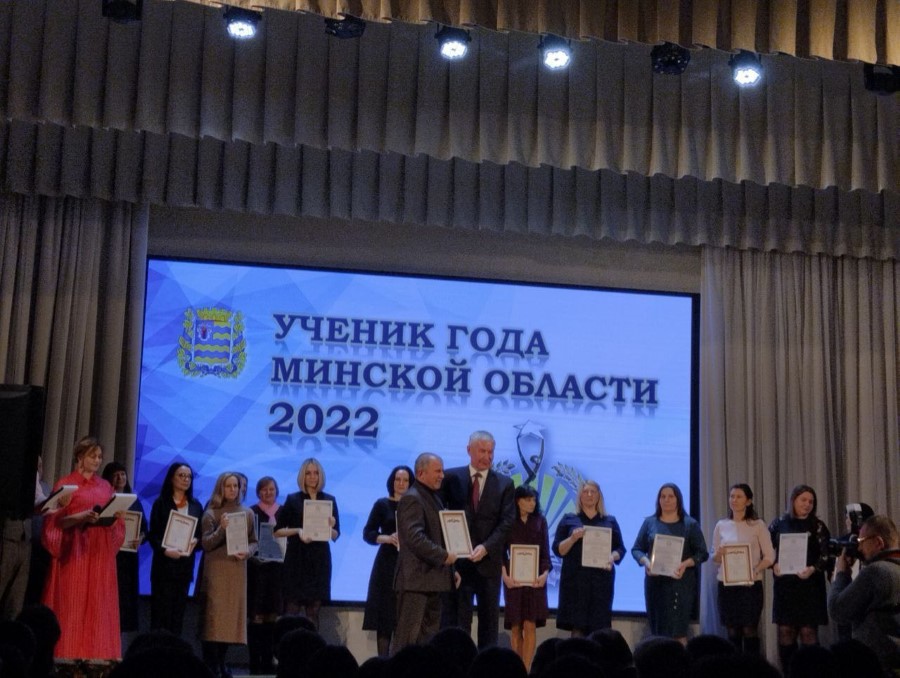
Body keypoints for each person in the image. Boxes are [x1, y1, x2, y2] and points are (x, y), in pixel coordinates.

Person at [41, 436, 125, 659]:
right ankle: (68, 657)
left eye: (99, 457)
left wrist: (116, 517)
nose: (97, 460)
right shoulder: (66, 484)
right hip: (75, 550)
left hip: (99, 552)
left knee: (98, 606)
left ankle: (96, 658)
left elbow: (116, 524)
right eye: (92, 456)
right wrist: (80, 517)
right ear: (80, 456)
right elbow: (54, 522)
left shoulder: (105, 486)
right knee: (73, 604)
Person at [440, 430, 515, 649]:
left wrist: (486, 547)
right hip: (459, 565)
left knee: (489, 624)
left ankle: (486, 664)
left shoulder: (505, 483)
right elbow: (441, 516)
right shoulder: (451, 478)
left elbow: (507, 522)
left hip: (489, 565)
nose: (487, 456)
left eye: (491, 452)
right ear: (469, 450)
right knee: (458, 624)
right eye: (482, 451)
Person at [391, 453, 458, 654]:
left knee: (426, 646)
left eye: (442, 471)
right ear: (421, 473)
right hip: (415, 583)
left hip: (432, 581)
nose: (442, 475)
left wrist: (451, 569)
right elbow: (415, 538)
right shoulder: (412, 498)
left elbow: (438, 536)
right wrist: (443, 557)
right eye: (437, 471)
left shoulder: (432, 497)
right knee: (406, 643)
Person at [631, 482, 708, 644]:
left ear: (678, 499)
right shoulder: (650, 523)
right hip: (655, 584)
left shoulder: (690, 524)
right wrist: (646, 562)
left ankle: (680, 660)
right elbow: (636, 549)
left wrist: (685, 564)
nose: (666, 500)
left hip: (680, 585)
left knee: (678, 631)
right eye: (663, 496)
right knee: (658, 632)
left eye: (671, 496)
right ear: (658, 500)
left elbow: (702, 553)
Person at [199, 471, 257, 678]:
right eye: (228, 486)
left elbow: (254, 541)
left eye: (236, 486)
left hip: (236, 570)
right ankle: (212, 665)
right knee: (214, 621)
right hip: (217, 571)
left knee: (230, 622)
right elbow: (206, 543)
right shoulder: (211, 513)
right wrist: (222, 529)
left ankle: (222, 663)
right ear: (221, 488)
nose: (233, 490)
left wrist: (247, 552)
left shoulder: (247, 513)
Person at [768, 483, 832, 671]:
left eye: (811, 501)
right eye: (803, 500)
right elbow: (766, 550)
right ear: (793, 500)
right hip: (786, 586)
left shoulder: (818, 526)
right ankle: (788, 672)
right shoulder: (779, 523)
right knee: (785, 631)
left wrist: (813, 569)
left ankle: (811, 673)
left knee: (808, 632)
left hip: (810, 586)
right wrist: (773, 564)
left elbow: (826, 555)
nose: (807, 504)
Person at [828, 514, 900, 674]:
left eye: (861, 541)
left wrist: (841, 574)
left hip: (877, 663)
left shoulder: (876, 572)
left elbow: (838, 610)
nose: (859, 548)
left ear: (878, 542)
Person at [553, 480, 625, 638]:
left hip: (601, 583)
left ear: (599, 496)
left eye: (593, 492)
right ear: (580, 496)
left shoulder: (609, 521)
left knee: (600, 631)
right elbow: (558, 550)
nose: (589, 495)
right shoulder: (568, 519)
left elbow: (620, 549)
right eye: (585, 492)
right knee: (577, 629)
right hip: (576, 582)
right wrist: (572, 538)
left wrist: (612, 557)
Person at [274, 457, 339, 629]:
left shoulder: (329, 500)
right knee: (292, 610)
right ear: (302, 476)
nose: (312, 477)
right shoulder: (293, 499)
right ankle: (288, 645)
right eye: (308, 473)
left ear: (320, 475)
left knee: (313, 611)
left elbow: (335, 535)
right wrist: (298, 531)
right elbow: (277, 531)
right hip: (296, 559)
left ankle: (312, 645)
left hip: (319, 560)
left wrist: (331, 526)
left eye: (316, 473)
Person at [710, 483, 775, 655]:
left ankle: (751, 666)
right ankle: (734, 666)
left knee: (749, 629)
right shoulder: (721, 525)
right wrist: (719, 554)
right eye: (732, 496)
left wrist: (755, 569)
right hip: (727, 585)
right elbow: (714, 558)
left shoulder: (758, 525)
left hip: (750, 585)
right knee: (732, 631)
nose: (734, 500)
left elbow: (770, 556)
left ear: (748, 501)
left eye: (739, 496)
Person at [362, 464, 414, 657]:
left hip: (409, 565)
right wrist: (385, 538)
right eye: (397, 479)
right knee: (384, 619)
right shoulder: (381, 504)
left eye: (405, 480)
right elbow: (368, 533)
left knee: (405, 620)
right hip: (386, 564)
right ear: (392, 482)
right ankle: (383, 666)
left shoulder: (415, 505)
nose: (401, 483)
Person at [148, 461, 203, 636]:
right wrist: (165, 550)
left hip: (184, 568)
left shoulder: (195, 505)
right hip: (163, 568)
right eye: (181, 475)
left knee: (177, 616)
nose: (186, 479)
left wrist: (195, 541)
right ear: (172, 478)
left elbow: (200, 535)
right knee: (160, 617)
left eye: (189, 477)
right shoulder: (161, 503)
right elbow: (153, 535)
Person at [502, 484, 551, 671]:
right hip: (513, 580)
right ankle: (517, 669)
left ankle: (526, 669)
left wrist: (544, 574)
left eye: (534, 500)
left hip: (535, 580)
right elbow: (500, 553)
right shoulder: (508, 521)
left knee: (530, 625)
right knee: (516, 626)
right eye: (528, 500)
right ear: (518, 501)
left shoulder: (540, 521)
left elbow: (545, 552)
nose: (532, 503)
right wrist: (505, 576)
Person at [102, 461, 146, 639]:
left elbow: (144, 528)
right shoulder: (104, 499)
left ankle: (119, 638)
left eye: (123, 474)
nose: (120, 478)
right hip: (110, 555)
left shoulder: (134, 501)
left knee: (125, 599)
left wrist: (140, 538)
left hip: (128, 558)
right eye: (116, 475)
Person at [247, 476, 284, 674]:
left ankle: (269, 661)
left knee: (272, 617)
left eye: (271, 489)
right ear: (258, 492)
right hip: (257, 571)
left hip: (277, 572)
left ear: (276, 490)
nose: (267, 493)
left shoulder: (284, 511)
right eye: (263, 489)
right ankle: (255, 662)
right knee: (256, 617)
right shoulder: (251, 511)